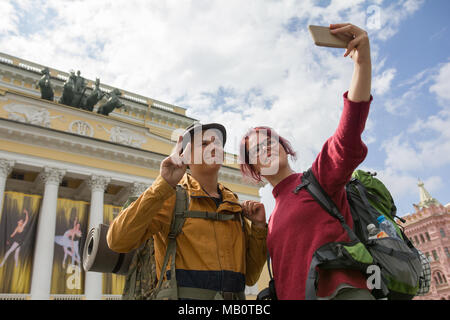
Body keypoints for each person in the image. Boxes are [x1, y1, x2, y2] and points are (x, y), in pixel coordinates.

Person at [239, 23, 374, 300]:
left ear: (285, 149)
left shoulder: (318, 179)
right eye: (256, 152)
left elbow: (346, 138)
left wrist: (361, 65)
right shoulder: (273, 215)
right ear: (254, 170)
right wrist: (261, 228)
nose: (265, 149)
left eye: (269, 141)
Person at [107, 122, 267, 300]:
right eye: (204, 143)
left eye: (218, 143)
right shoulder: (171, 197)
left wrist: (259, 227)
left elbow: (250, 277)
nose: (213, 147)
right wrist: (163, 184)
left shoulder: (234, 206)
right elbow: (117, 241)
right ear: (186, 156)